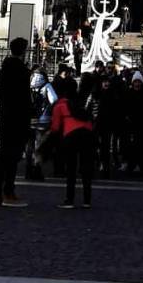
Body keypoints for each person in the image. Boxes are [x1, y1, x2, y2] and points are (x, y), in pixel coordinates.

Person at [0, 38, 32, 207]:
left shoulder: (3, 69)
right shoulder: (23, 71)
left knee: (3, 156)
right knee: (14, 157)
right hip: (18, 119)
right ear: (23, 51)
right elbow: (25, 99)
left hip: (6, 117)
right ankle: (9, 192)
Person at [51, 72, 96, 208]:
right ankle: (87, 200)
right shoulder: (84, 101)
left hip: (71, 136)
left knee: (71, 169)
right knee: (86, 168)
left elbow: (55, 127)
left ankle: (69, 199)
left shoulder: (61, 105)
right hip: (87, 134)